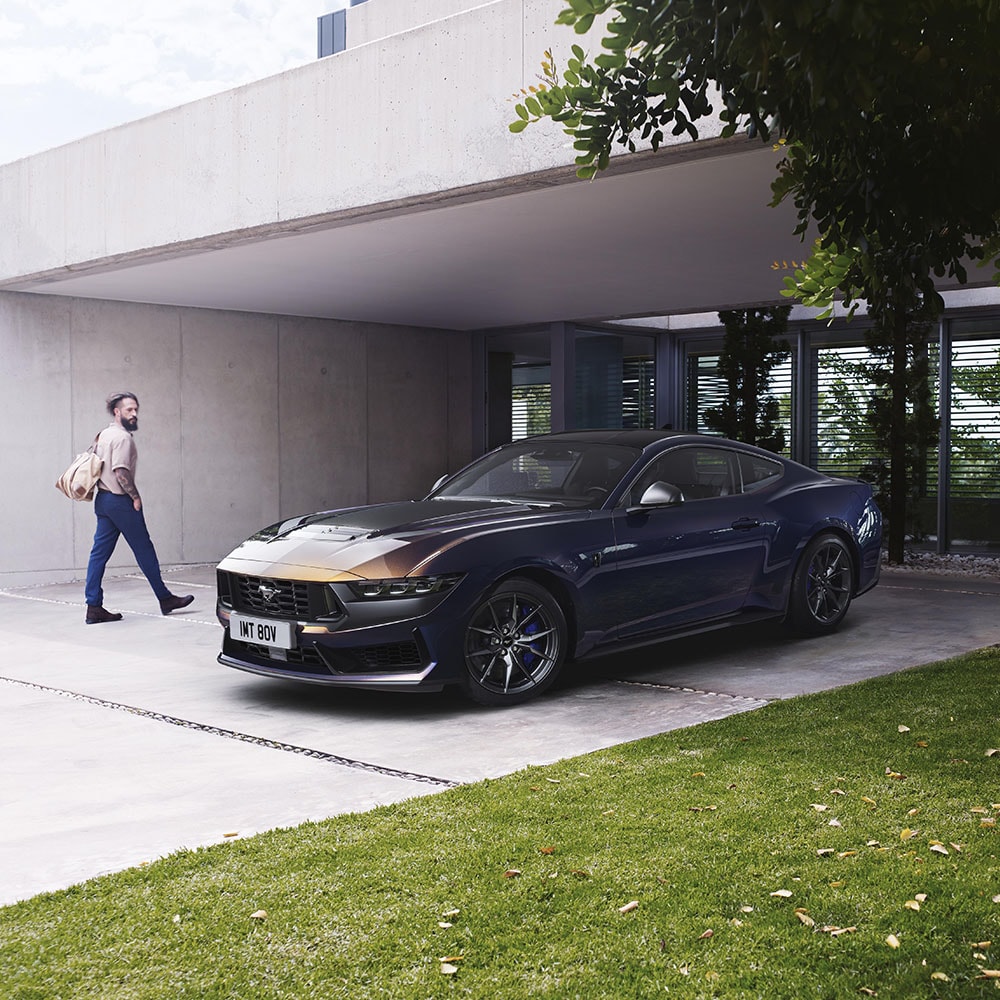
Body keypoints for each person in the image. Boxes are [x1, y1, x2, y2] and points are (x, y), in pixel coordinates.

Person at [84, 392, 194, 624]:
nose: (134, 414)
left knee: (98, 555)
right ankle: (165, 599)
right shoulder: (123, 438)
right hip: (119, 501)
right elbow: (120, 472)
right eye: (129, 410)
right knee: (144, 549)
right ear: (117, 412)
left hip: (103, 500)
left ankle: (93, 606)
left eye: (136, 409)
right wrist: (135, 496)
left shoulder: (103, 435)